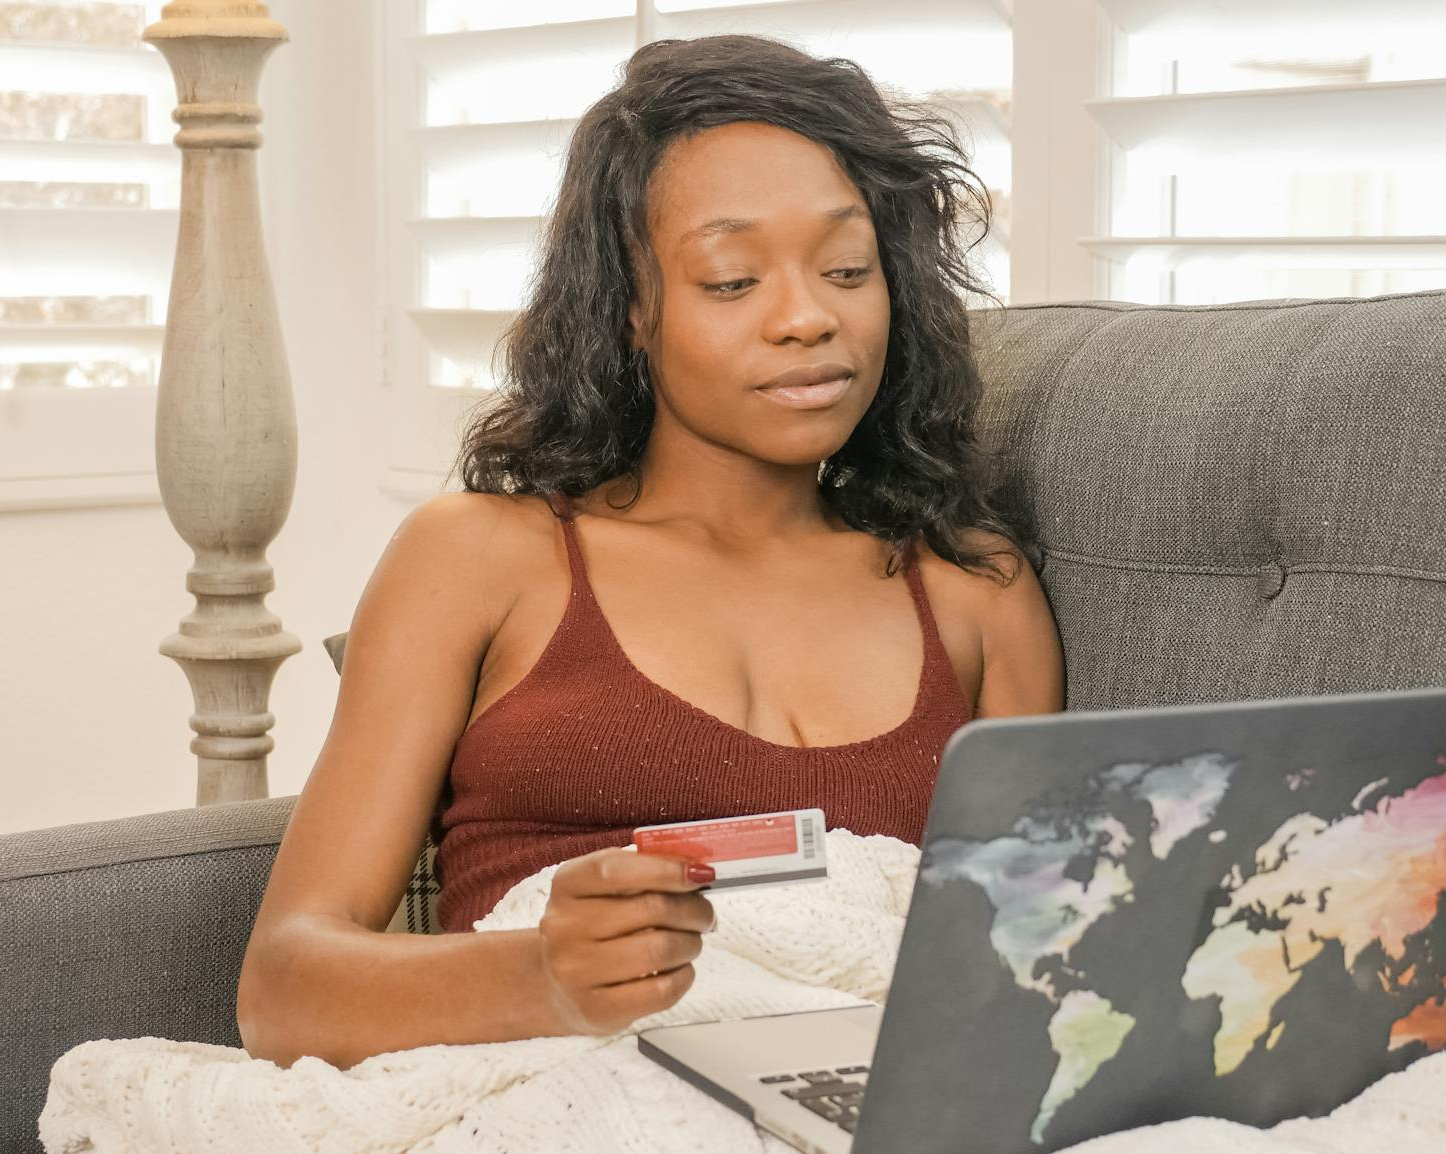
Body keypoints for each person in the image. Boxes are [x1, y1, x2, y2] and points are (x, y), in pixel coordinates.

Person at [236, 34, 1064, 1068]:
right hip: (552, 1086)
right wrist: (538, 975)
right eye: (730, 281)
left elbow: (1037, 969)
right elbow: (283, 988)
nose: (807, 318)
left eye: (847, 269)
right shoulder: (482, 557)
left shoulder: (971, 591)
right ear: (628, 309)